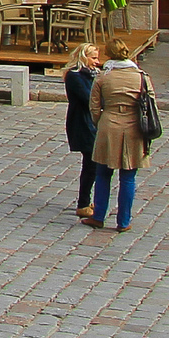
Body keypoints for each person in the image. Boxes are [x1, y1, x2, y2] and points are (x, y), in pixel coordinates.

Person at [88, 34, 150, 231]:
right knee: (129, 176)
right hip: (134, 126)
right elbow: (151, 103)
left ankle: (98, 215)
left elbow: (94, 107)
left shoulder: (103, 77)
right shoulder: (141, 76)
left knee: (103, 173)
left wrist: (101, 123)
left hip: (109, 124)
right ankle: (124, 221)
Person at [64, 42, 102, 219]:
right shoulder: (75, 76)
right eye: (93, 58)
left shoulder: (95, 75)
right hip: (82, 122)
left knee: (94, 164)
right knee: (90, 164)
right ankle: (83, 203)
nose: (97, 62)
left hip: (94, 122)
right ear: (83, 57)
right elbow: (88, 99)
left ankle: (90, 199)